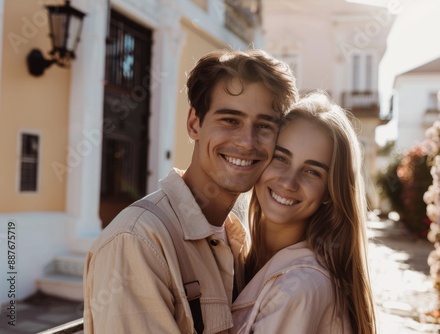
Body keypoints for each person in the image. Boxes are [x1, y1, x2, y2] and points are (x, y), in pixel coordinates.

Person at [83, 49, 298, 333]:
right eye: (230, 120)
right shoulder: (136, 241)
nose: (247, 142)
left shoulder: (236, 239)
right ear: (194, 123)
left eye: (264, 126)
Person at [231, 92, 377, 334]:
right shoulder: (233, 252)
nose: (289, 182)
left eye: (312, 172)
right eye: (281, 157)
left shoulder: (300, 287)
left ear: (331, 191)